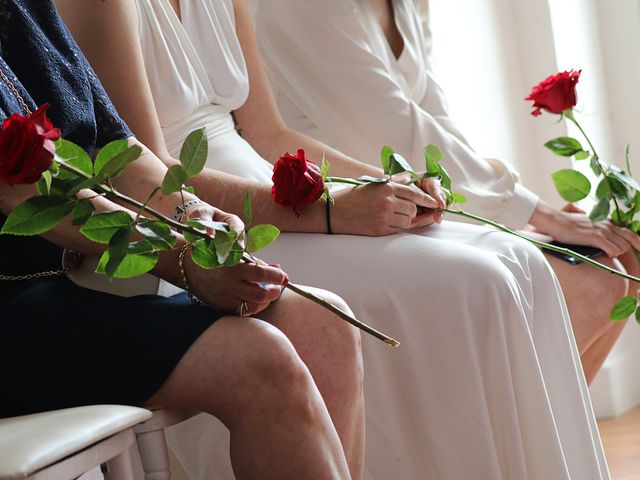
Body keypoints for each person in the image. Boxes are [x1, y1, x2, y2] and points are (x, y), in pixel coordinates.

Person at [56, 0, 610, 478]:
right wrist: (327, 211)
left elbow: (270, 135)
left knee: (517, 258)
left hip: (277, 196)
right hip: (202, 226)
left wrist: (379, 180)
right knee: (479, 282)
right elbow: (151, 177)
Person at [0, 2, 366, 479]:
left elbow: (122, 151)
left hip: (55, 292)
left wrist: (197, 219)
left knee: (323, 325)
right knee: (260, 362)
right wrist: (185, 260)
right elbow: (25, 191)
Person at [251, 0, 640, 384]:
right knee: (596, 284)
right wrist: (537, 213)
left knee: (624, 262)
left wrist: (524, 210)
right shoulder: (301, 7)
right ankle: (510, 439)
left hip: (419, 202)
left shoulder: (408, 5)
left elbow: (439, 129)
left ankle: (546, 444)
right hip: (347, 216)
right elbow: (400, 136)